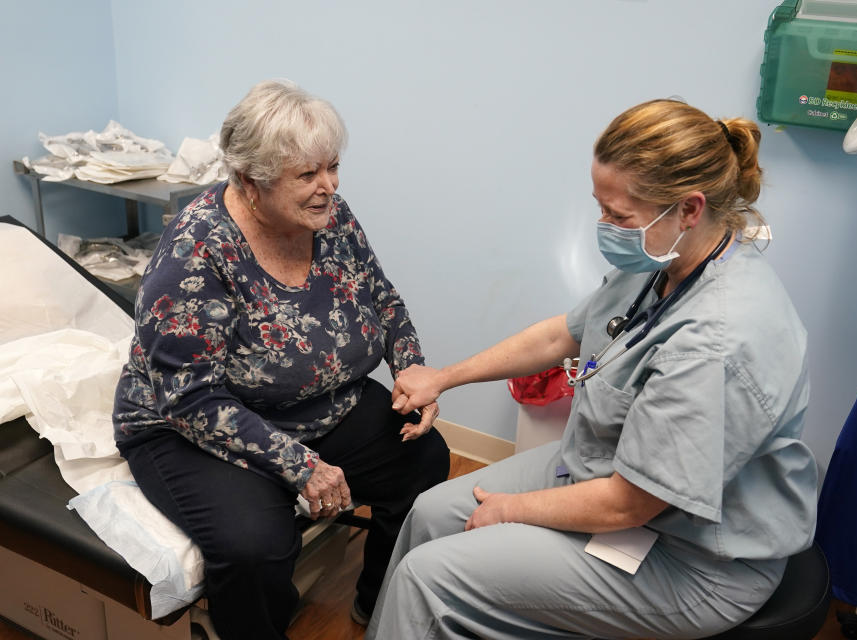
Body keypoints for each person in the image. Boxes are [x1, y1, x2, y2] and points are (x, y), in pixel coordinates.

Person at [367, 99, 818, 639]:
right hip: (605, 471)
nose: (604, 226)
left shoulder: (715, 342)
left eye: (619, 215)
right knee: (431, 514)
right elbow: (565, 333)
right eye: (600, 206)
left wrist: (512, 510)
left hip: (695, 560)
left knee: (429, 577)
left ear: (689, 209)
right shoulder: (665, 259)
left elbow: (630, 504)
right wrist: (443, 377)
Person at [112, 79, 449, 640]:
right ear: (250, 181)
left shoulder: (329, 216)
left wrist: (412, 365)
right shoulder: (195, 253)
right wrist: (302, 467)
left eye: (332, 167)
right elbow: (191, 398)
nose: (329, 186)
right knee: (256, 548)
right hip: (194, 427)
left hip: (315, 404)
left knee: (423, 460)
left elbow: (381, 296)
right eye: (308, 175)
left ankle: (378, 602)